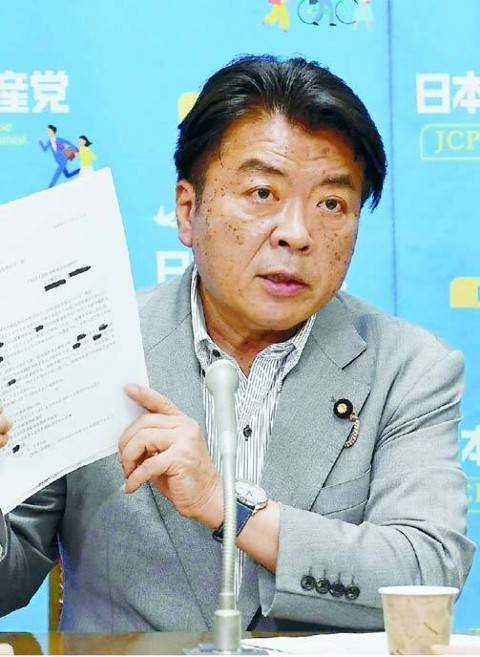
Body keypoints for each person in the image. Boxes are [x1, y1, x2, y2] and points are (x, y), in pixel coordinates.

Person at [0, 55, 475, 633]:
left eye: (331, 204)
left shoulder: (408, 368)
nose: (296, 234)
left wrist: (229, 507)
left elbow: (426, 574)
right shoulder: (87, 344)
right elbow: (7, 576)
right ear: (187, 211)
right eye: (261, 192)